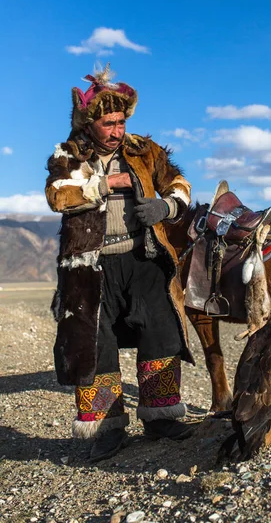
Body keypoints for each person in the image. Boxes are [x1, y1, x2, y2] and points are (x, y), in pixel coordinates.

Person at [45, 64, 193, 463]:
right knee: (98, 346)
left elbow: (180, 185)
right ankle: (109, 428)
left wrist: (166, 205)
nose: (117, 130)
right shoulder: (68, 154)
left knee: (160, 334)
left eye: (121, 121)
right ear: (91, 123)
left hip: (142, 258)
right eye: (108, 123)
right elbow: (60, 196)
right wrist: (109, 184)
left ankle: (160, 417)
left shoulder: (145, 151)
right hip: (89, 268)